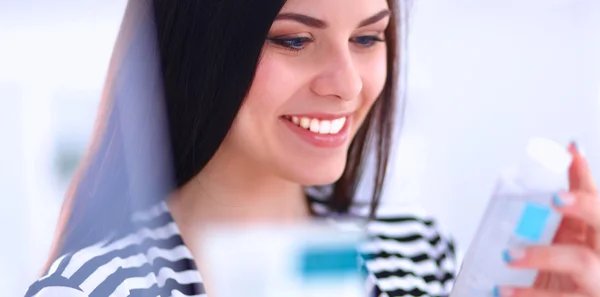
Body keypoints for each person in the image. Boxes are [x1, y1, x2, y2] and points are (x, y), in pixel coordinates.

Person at [25, 0, 600, 297]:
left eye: (368, 37)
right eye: (295, 39)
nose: (347, 84)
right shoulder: (98, 288)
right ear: (201, 48)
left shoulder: (418, 256)